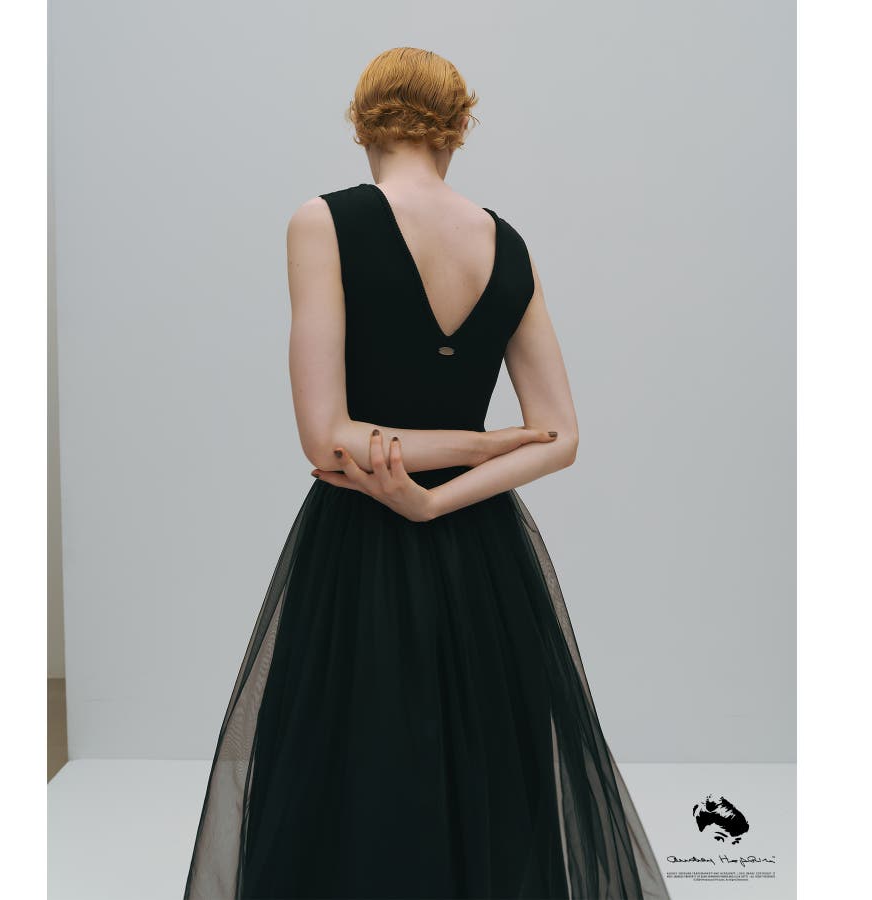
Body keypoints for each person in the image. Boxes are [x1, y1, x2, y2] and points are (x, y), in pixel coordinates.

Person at [183, 46, 670, 900]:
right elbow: (558, 437)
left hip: (359, 545)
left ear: (361, 123)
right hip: (486, 553)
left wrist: (418, 497)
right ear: (458, 127)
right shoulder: (506, 243)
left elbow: (328, 440)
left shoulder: (321, 222)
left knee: (357, 783)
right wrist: (474, 456)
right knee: (488, 781)